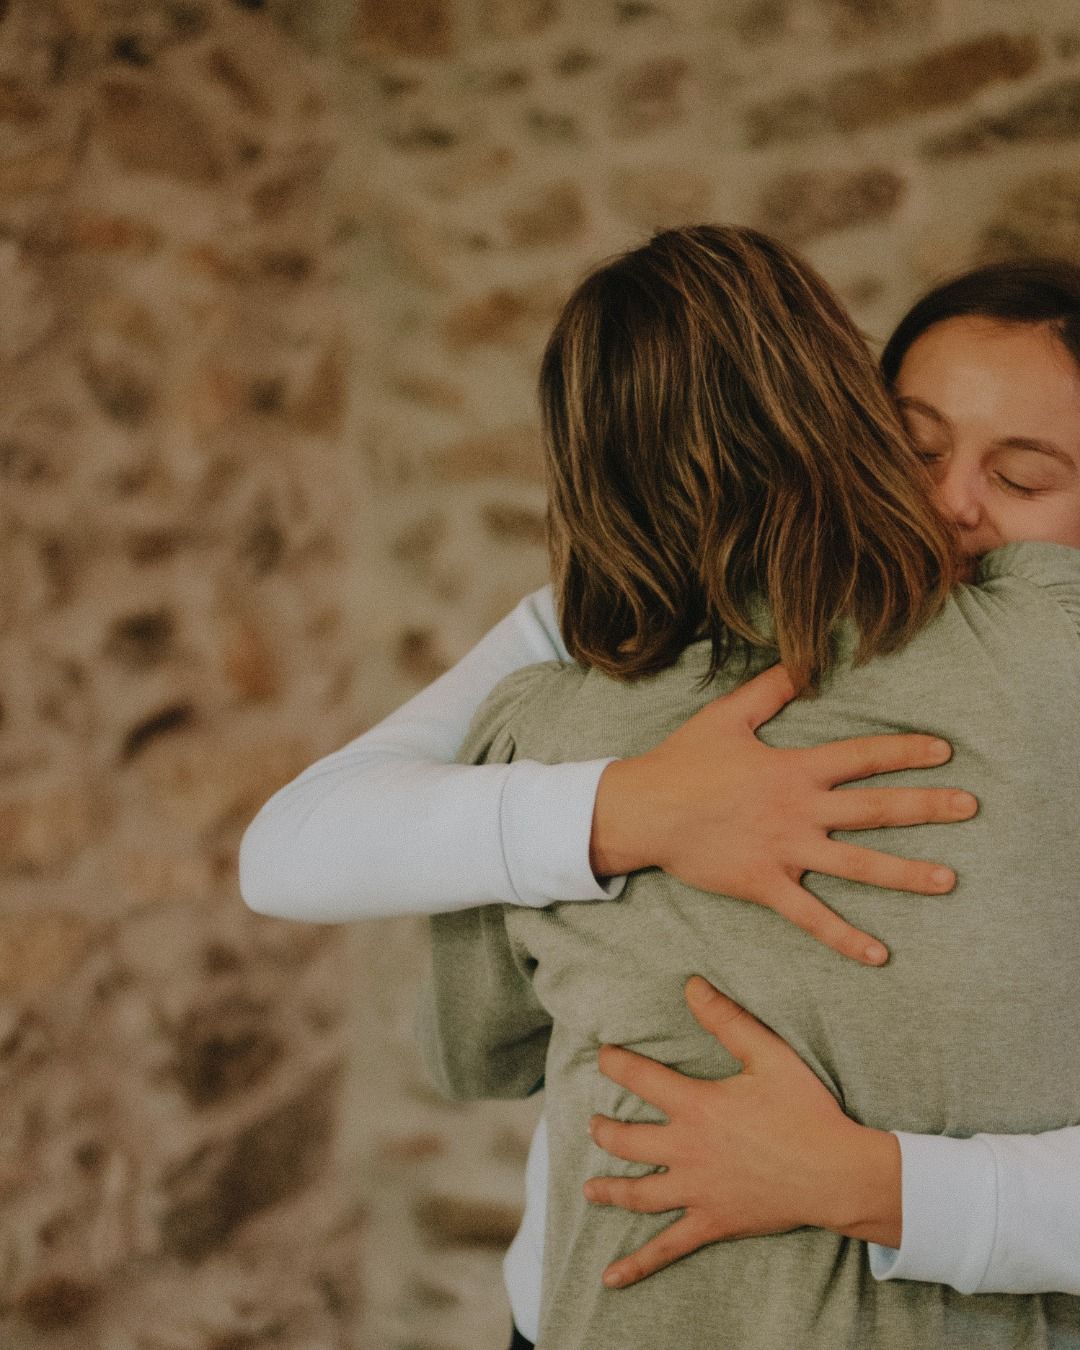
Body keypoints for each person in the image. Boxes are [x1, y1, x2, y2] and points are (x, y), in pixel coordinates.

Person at [237, 256, 1080, 1344]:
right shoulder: (607, 633)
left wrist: (875, 1183)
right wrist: (633, 811)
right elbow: (291, 844)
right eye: (910, 447)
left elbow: (471, 1048)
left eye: (1022, 478)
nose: (949, 503)